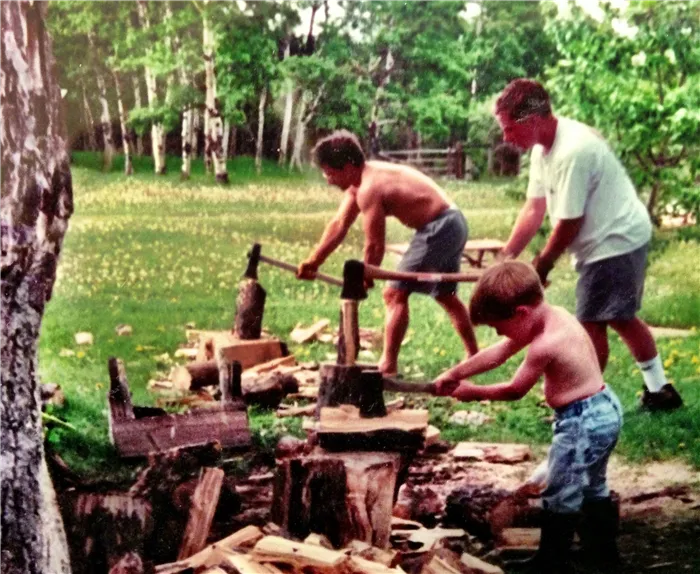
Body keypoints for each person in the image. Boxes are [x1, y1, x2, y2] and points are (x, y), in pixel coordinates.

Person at [494, 78, 682, 411]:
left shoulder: (573, 151)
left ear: (533, 120)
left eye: (510, 129)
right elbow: (534, 208)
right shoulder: (542, 150)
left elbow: (569, 223)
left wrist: (543, 264)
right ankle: (660, 392)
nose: (506, 138)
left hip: (615, 239)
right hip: (616, 235)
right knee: (621, 316)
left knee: (591, 322)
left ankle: (585, 400)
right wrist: (507, 255)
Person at [434, 261, 622, 573]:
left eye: (499, 326)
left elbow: (514, 390)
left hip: (582, 421)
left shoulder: (545, 344)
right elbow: (501, 351)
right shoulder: (553, 315)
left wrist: (473, 391)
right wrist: (455, 372)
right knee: (593, 485)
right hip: (604, 408)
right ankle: (604, 558)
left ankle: (552, 563)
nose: (498, 333)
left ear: (521, 313)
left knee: (560, 493)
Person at [297, 130, 478, 375]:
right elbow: (339, 224)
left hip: (441, 226)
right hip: (452, 222)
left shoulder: (370, 187)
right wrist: (313, 261)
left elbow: (374, 245)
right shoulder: (361, 181)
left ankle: (388, 365)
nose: (327, 179)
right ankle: (474, 355)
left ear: (348, 166)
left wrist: (366, 275)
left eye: (330, 172)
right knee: (445, 295)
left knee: (394, 293)